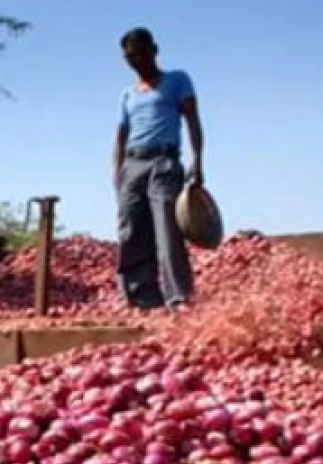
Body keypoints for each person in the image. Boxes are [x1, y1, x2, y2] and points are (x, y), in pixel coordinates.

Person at [112, 27, 204, 310]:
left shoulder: (177, 80)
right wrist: (117, 172)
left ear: (154, 50)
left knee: (167, 229)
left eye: (141, 52)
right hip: (133, 163)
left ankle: (178, 296)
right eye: (130, 56)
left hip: (164, 161)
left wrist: (197, 160)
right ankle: (142, 297)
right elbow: (120, 136)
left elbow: (192, 121)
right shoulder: (127, 95)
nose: (136, 59)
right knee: (131, 231)